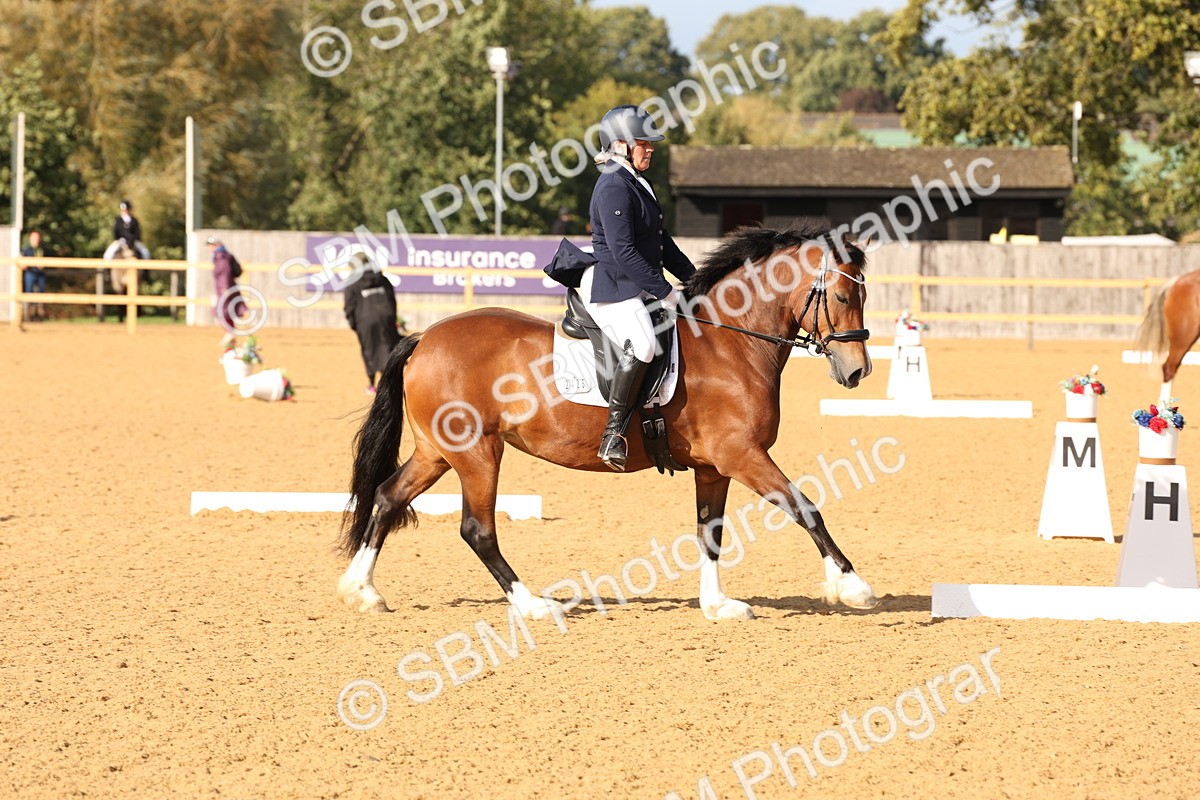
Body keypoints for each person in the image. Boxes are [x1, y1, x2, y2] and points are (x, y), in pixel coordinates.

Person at [582, 104, 696, 471]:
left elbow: (663, 244)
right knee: (644, 343)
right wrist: (665, 291)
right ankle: (612, 435)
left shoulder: (637, 181)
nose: (651, 148)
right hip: (615, 289)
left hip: (639, 286)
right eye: (643, 142)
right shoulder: (613, 185)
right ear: (619, 145)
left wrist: (697, 281)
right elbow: (624, 251)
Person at [343, 253, 401, 394]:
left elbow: (349, 306)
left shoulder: (353, 283)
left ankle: (371, 385)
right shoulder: (383, 279)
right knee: (387, 348)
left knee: (369, 350)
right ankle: (385, 383)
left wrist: (354, 324)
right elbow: (392, 300)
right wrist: (392, 319)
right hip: (385, 317)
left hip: (365, 320)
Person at [208, 237, 246, 344]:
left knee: (220, 311)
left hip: (225, 289)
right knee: (227, 312)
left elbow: (225, 272)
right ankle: (230, 334)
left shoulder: (221, 257)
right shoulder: (221, 256)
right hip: (225, 288)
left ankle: (230, 333)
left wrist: (225, 287)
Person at [20, 230, 48, 322]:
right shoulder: (26, 249)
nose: (36, 239)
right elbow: (22, 262)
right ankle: (28, 316)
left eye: (37, 237)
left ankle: (40, 315)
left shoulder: (42, 249)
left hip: (40, 274)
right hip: (30, 273)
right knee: (28, 293)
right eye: (34, 237)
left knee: (41, 293)